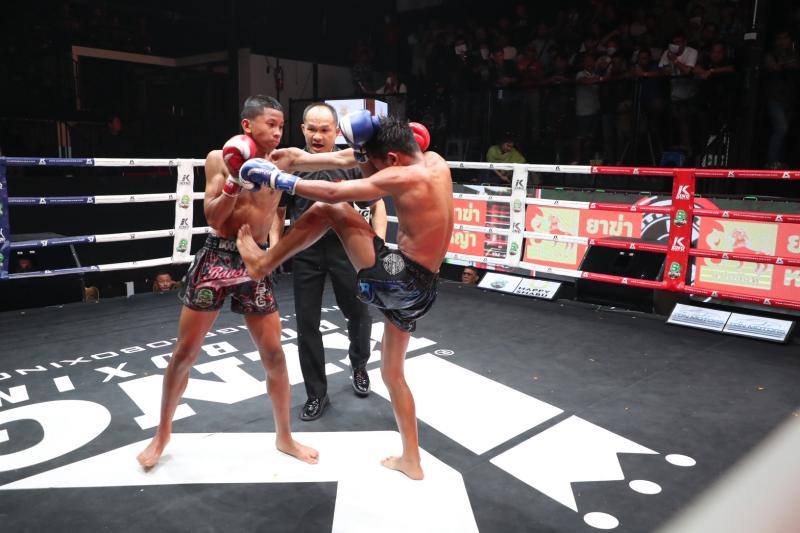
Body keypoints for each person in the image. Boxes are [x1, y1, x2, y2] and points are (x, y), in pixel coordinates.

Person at [235, 114, 453, 480]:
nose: (370, 165)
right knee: (393, 374)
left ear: (393, 159)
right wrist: (299, 159)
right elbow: (355, 157)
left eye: (375, 161)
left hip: (399, 280)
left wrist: (278, 179)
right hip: (425, 288)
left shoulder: (402, 176)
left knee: (329, 209)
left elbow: (335, 193)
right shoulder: (435, 162)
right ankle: (411, 460)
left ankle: (262, 263)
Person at [136, 95, 318, 469]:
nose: (277, 131)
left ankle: (284, 436)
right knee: (184, 354)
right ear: (248, 125)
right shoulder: (219, 158)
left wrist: (367, 150)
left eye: (282, 125)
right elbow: (214, 217)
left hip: (256, 259)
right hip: (218, 256)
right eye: (271, 124)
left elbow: (337, 159)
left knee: (274, 355)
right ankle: (162, 434)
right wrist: (235, 180)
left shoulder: (283, 160)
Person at [277, 102, 387, 421]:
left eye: (324, 129)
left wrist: (378, 247)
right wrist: (277, 249)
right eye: (311, 129)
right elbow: (278, 212)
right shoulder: (292, 164)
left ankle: (359, 365)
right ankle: (316, 394)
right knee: (306, 323)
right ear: (302, 130)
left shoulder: (349, 162)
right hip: (306, 253)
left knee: (359, 314)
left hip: (345, 249)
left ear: (336, 131)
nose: (317, 135)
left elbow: (377, 205)